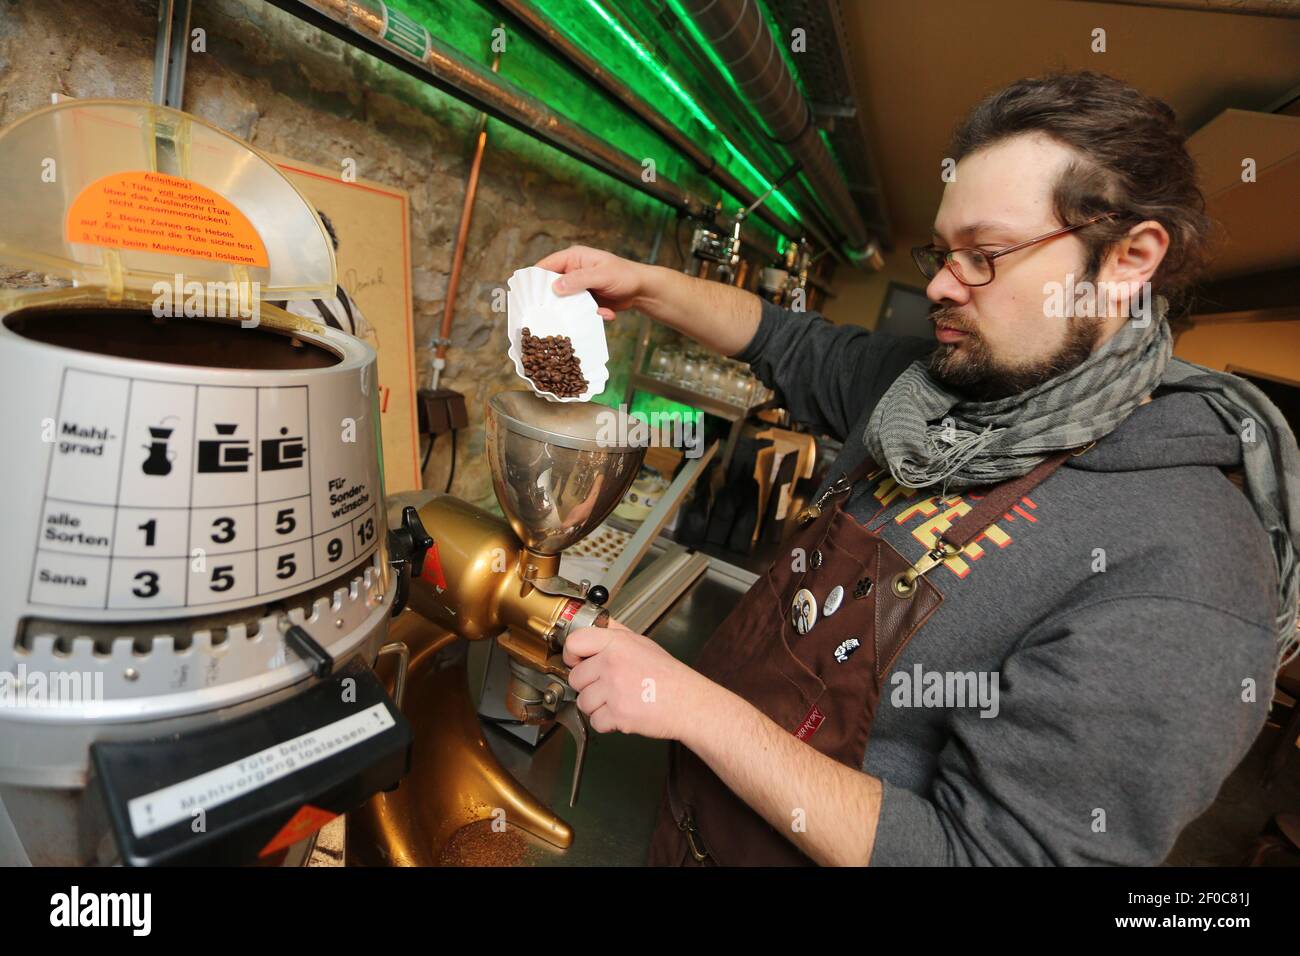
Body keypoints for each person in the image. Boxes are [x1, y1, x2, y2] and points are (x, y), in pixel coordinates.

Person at [536, 71, 1300, 866]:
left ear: (1129, 259)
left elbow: (990, 858)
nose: (939, 284)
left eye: (985, 255)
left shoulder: (1187, 574)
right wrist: (648, 283)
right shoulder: (931, 391)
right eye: (943, 251)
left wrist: (693, 707)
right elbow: (784, 340)